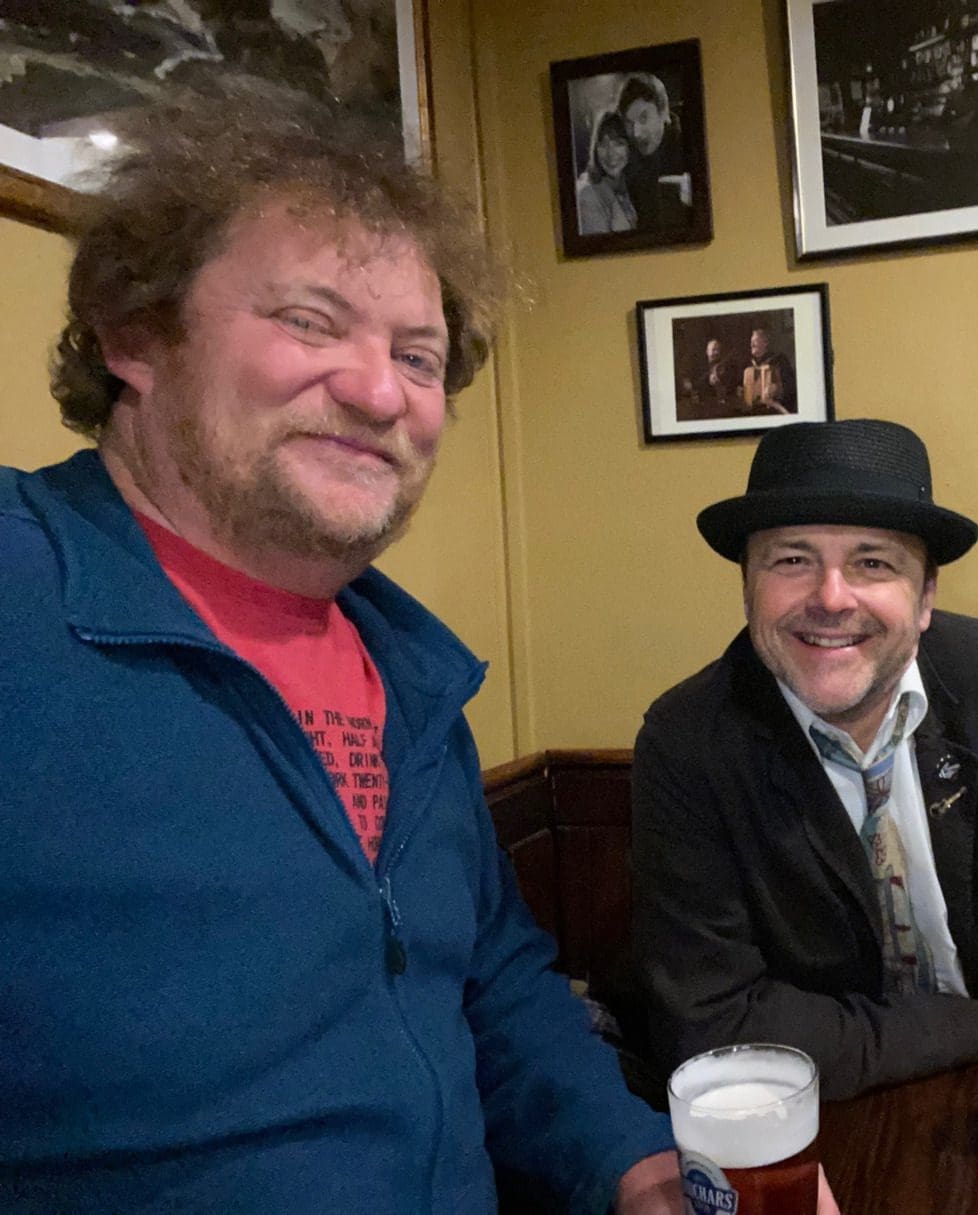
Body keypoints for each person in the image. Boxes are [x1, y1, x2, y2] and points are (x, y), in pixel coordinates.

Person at [0, 94, 689, 1214]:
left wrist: (631, 1158)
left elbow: (492, 981)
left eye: (417, 357)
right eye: (311, 323)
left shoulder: (414, 677)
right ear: (135, 335)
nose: (379, 393)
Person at [629, 418, 978, 1100]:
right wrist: (975, 1034)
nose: (831, 597)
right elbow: (715, 1023)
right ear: (747, 586)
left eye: (874, 562)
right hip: (827, 1118)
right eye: (791, 559)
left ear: (925, 598)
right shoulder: (686, 743)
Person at [617, 72, 691, 231]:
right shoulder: (625, 162)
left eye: (643, 118)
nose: (636, 133)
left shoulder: (692, 147)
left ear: (663, 111)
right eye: (629, 123)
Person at [576, 108, 638, 234]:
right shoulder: (588, 195)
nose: (611, 153)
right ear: (595, 149)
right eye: (603, 144)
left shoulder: (626, 185)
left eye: (618, 143)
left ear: (629, 147)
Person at [742, 327, 796, 414]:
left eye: (755, 341)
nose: (751, 345)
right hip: (753, 411)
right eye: (751, 342)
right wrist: (741, 390)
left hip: (774, 409)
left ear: (765, 343)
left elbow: (790, 385)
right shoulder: (747, 364)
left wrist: (777, 388)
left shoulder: (779, 360)